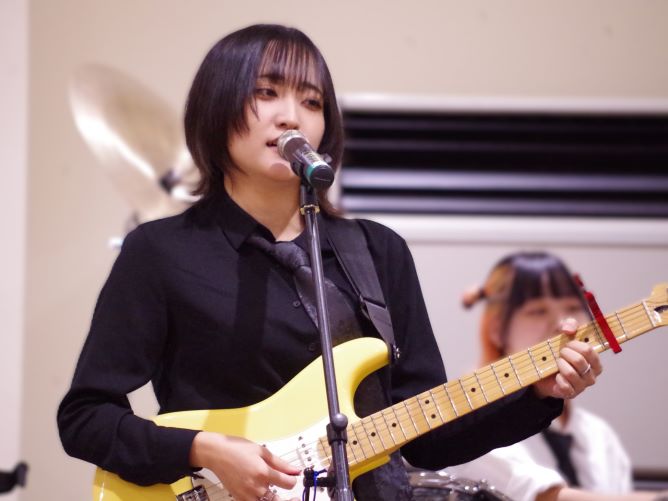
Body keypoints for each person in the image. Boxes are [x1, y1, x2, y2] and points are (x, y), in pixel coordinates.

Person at [57, 25, 603, 501]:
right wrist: (204, 449)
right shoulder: (161, 252)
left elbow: (428, 436)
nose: (291, 116)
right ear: (217, 109)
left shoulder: (378, 251)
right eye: (266, 93)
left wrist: (536, 394)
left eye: (312, 102)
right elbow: (85, 418)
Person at [446, 251, 660, 501]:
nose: (560, 323)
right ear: (497, 329)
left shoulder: (598, 435)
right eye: (537, 311)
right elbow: (543, 496)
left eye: (572, 307)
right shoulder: (470, 421)